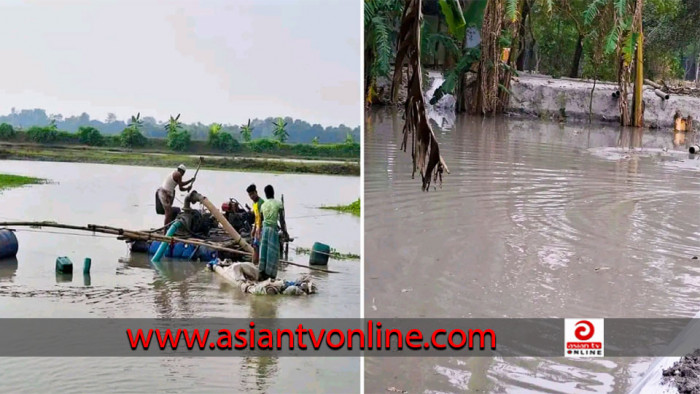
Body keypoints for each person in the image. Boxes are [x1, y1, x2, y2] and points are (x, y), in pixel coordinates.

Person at [258, 184, 288, 281]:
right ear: (273, 193)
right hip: (272, 230)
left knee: (264, 252)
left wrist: (259, 232)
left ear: (266, 195)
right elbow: (282, 220)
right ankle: (270, 275)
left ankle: (262, 273)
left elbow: (261, 220)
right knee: (273, 253)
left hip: (265, 230)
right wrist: (285, 232)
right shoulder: (279, 204)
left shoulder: (263, 205)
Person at [156, 164, 194, 228]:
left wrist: (188, 187)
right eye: (184, 173)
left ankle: (169, 228)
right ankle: (165, 232)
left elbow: (181, 188)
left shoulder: (175, 173)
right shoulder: (178, 174)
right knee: (168, 213)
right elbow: (181, 185)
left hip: (164, 193)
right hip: (164, 193)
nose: (183, 174)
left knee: (171, 212)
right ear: (182, 171)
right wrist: (190, 181)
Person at [246, 183, 264, 265]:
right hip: (257, 227)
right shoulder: (254, 204)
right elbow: (256, 217)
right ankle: (254, 264)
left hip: (262, 227)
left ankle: (257, 263)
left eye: (253, 194)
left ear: (256, 192)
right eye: (250, 195)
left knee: (258, 248)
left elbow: (261, 217)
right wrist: (254, 229)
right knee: (255, 247)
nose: (251, 196)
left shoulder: (261, 203)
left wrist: (257, 230)